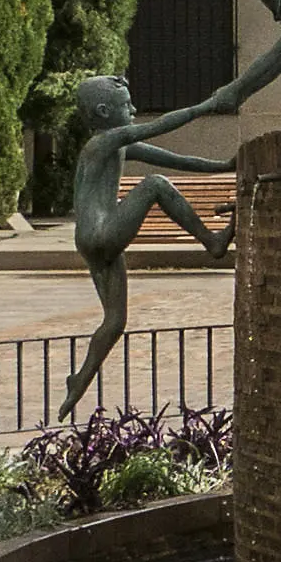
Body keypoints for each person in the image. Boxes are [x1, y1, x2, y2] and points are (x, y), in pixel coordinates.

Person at [60, 76, 235, 420]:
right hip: (102, 233)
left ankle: (78, 382)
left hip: (92, 240)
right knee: (154, 185)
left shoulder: (114, 145)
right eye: (127, 105)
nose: (134, 110)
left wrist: (224, 167)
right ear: (104, 111)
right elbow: (157, 127)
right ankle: (212, 240)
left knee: (114, 321)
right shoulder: (104, 142)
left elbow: (175, 159)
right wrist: (206, 106)